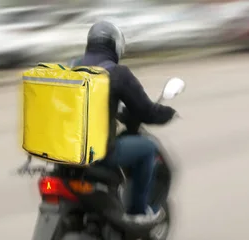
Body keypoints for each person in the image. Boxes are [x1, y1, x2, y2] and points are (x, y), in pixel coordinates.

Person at [74, 21, 177, 223]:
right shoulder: (117, 74)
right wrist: (167, 113)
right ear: (115, 45)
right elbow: (146, 111)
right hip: (97, 152)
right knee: (148, 148)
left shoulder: (71, 66)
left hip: (64, 149)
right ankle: (138, 210)